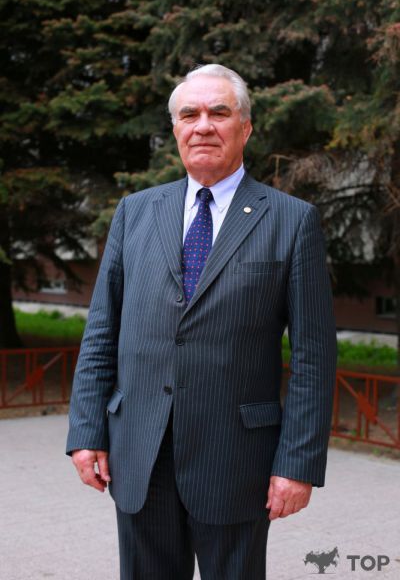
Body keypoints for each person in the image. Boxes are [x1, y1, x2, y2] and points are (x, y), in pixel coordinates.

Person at [67, 64, 337, 579]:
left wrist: (297, 464)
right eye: (189, 114)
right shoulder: (135, 212)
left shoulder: (292, 220)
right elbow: (102, 330)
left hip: (236, 463)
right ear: (176, 129)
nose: (203, 125)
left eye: (219, 112)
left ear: (245, 127)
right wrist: (85, 430)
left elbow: (313, 357)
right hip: (140, 455)